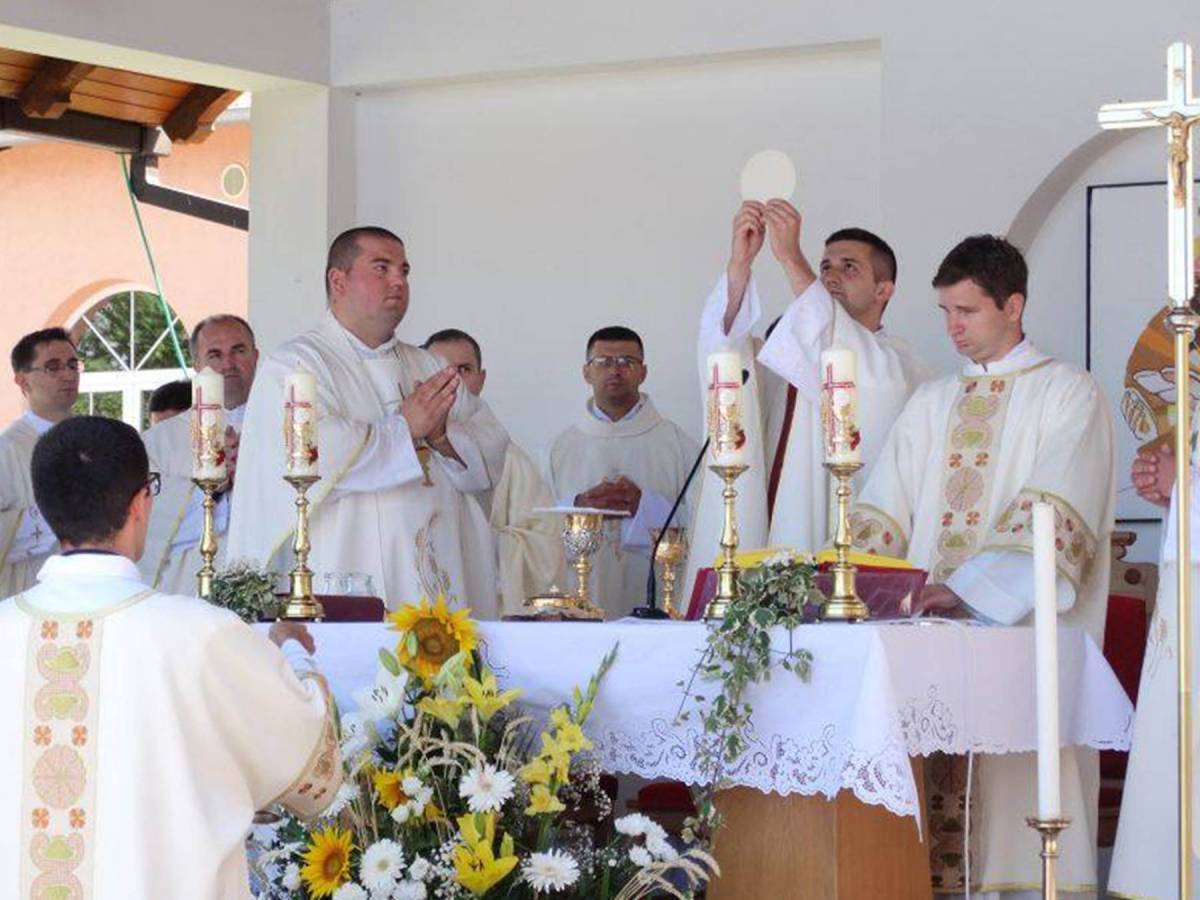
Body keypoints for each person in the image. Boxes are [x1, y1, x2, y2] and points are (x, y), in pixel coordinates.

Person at [850, 235, 1115, 897]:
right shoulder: (931, 401)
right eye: (945, 311)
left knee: (1016, 809)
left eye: (967, 310)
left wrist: (966, 590)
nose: (953, 327)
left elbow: (1055, 508)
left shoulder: (1068, 393)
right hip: (922, 646)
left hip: (1017, 643)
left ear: (1013, 305)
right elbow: (885, 505)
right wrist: (861, 581)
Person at [0, 415, 340, 898]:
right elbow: (312, 764)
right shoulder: (201, 635)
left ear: (45, 506)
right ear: (141, 502)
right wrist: (290, 650)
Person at [227, 227, 503, 615]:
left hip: (436, 581)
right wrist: (405, 428)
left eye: (404, 271)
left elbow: (491, 445)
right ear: (338, 281)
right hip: (346, 572)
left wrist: (442, 437)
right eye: (381, 268)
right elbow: (313, 454)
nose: (399, 281)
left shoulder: (429, 366)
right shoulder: (295, 364)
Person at [548, 326, 699, 618]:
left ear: (643, 372)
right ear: (586, 372)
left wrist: (645, 507)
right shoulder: (560, 448)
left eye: (626, 362)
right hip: (580, 601)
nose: (614, 370)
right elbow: (537, 528)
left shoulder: (678, 445)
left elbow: (703, 521)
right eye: (603, 362)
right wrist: (580, 507)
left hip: (658, 599)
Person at [424, 328, 565, 613]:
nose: (454, 381)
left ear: (481, 378)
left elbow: (546, 542)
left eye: (464, 370)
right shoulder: (405, 452)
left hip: (486, 598)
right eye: (440, 370)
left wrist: (483, 542)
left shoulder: (511, 460)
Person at [139, 315, 259, 594]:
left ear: (255, 356)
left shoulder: (284, 428)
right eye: (215, 355)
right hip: (188, 592)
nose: (228, 364)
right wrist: (211, 488)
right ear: (196, 364)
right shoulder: (158, 442)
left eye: (238, 350)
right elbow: (146, 525)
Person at [0, 328, 80, 595]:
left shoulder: (95, 439)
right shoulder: (7, 449)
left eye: (72, 365)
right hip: (31, 590)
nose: (68, 375)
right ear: (23, 381)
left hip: (92, 588)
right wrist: (62, 514)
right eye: (53, 367)